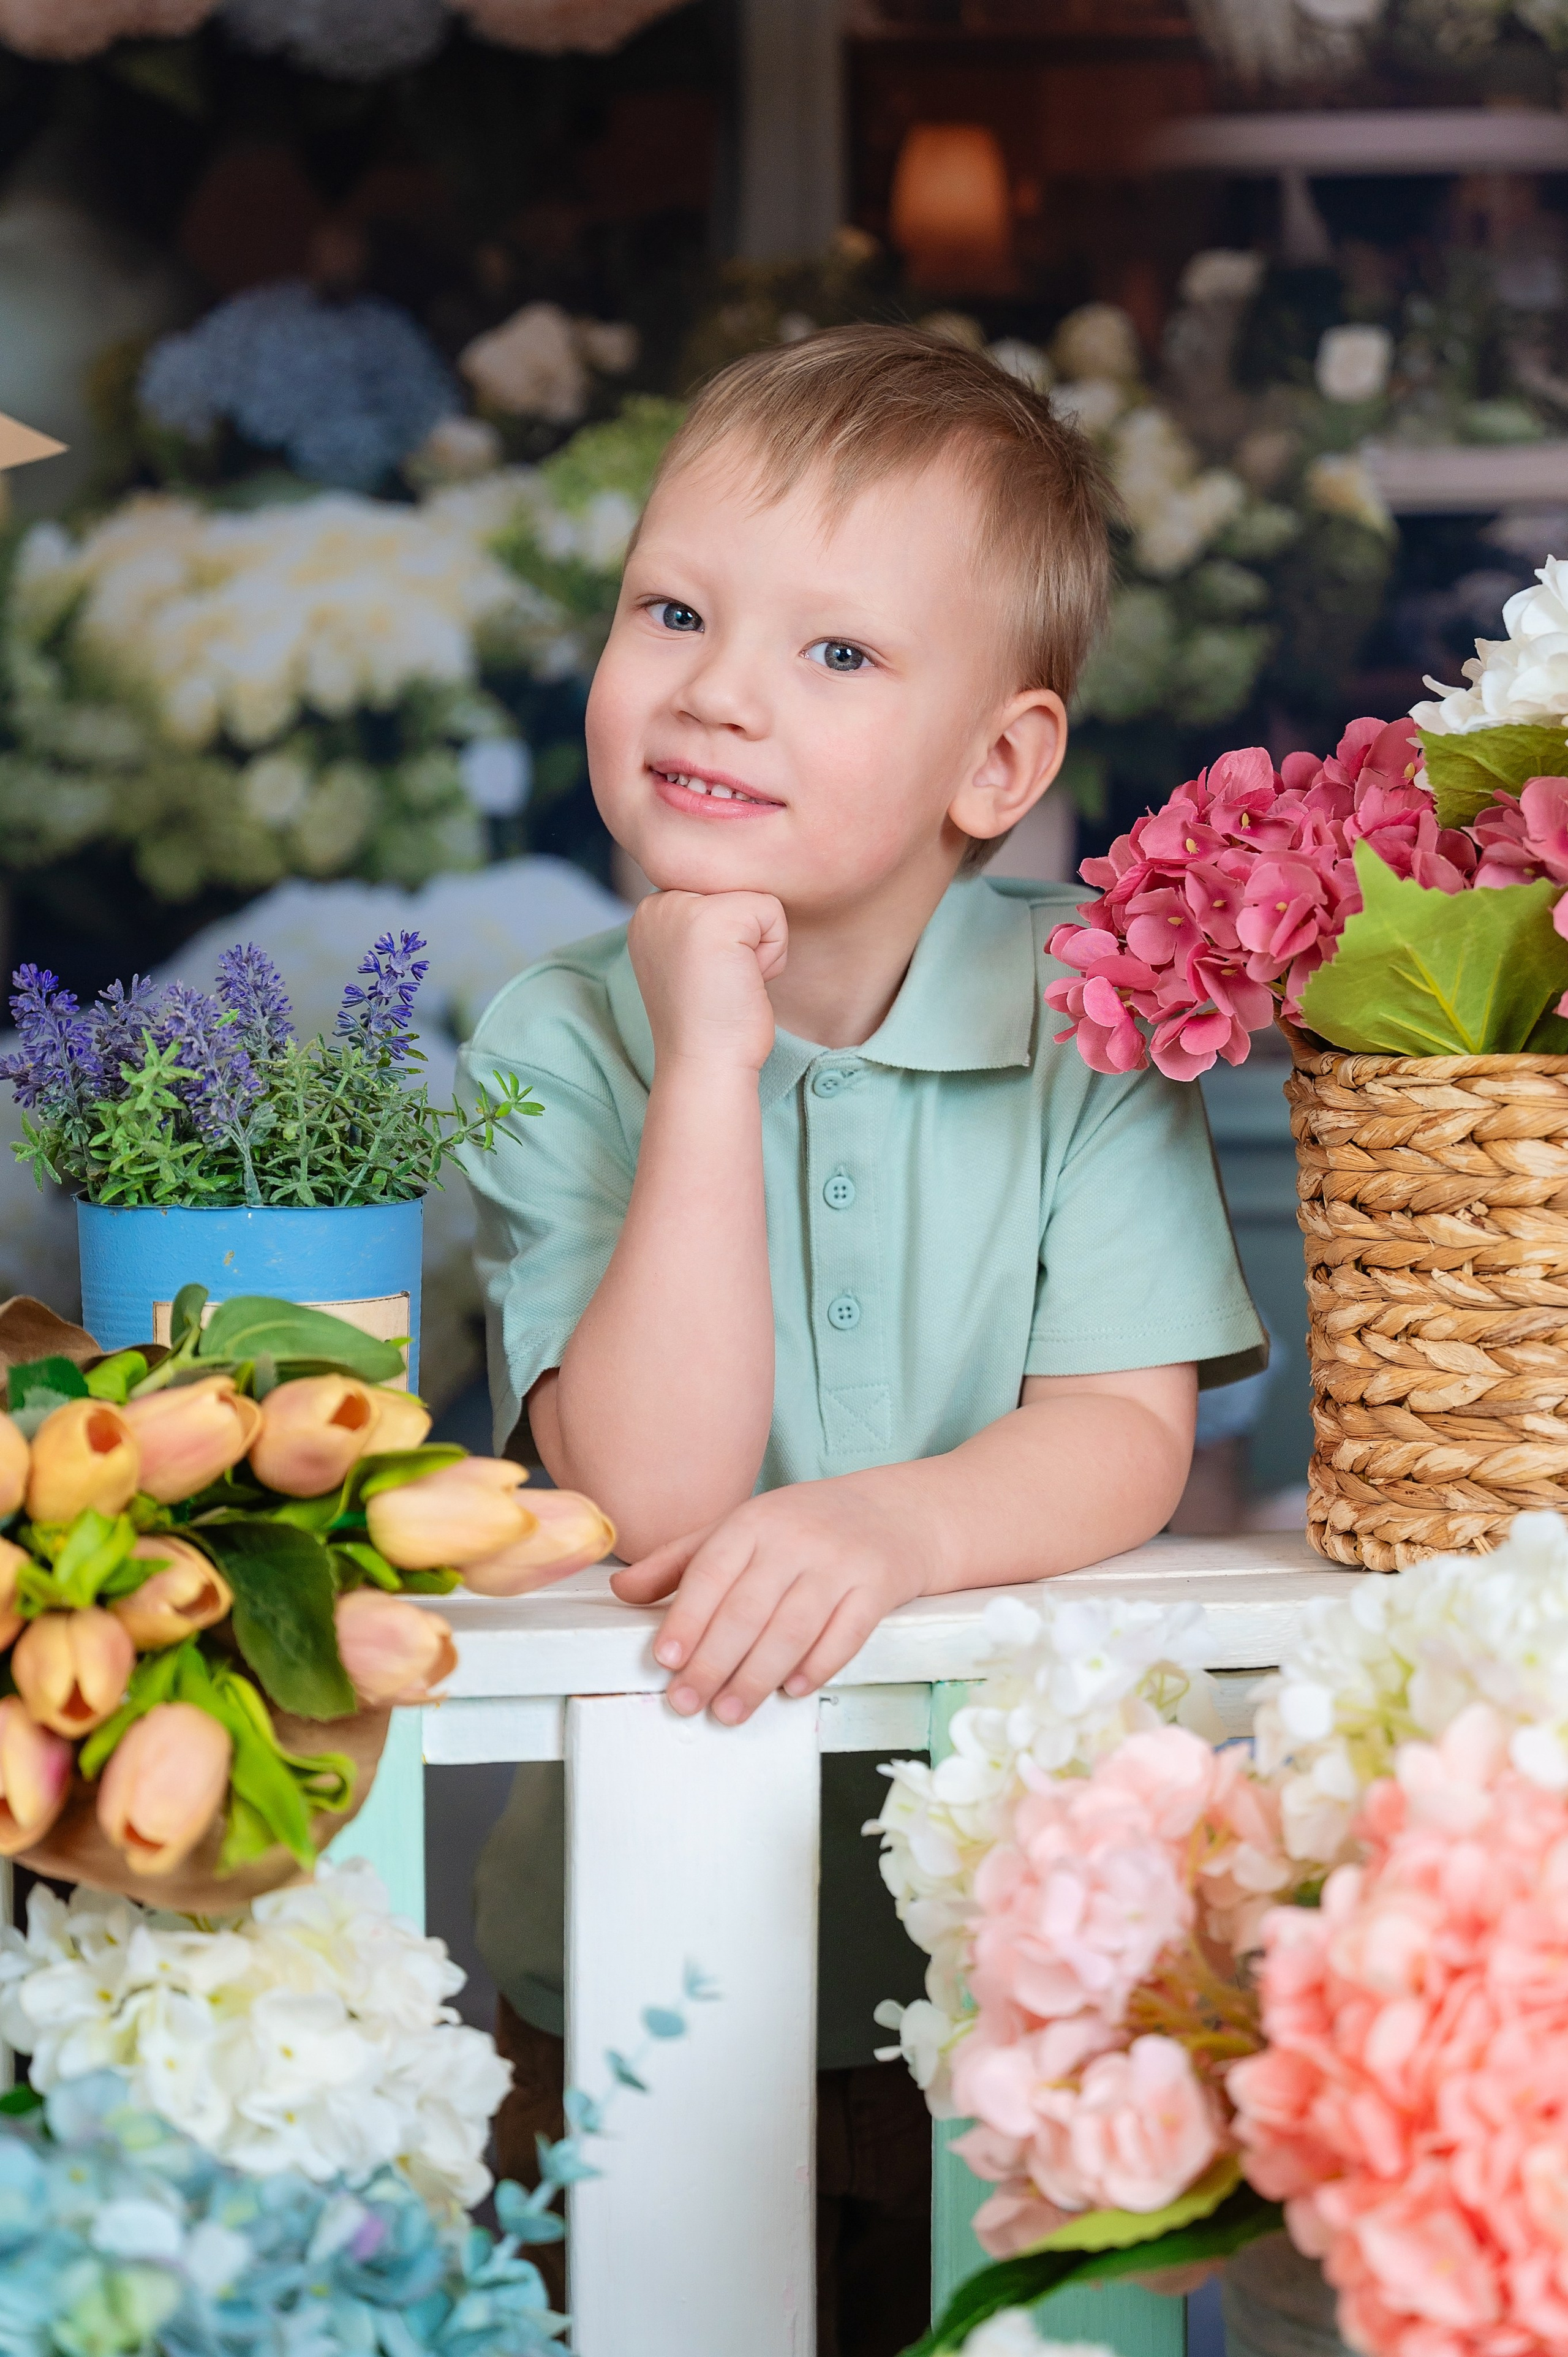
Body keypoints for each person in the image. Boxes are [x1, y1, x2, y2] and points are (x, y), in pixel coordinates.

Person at [460, 325, 1266, 2355]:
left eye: (837, 655)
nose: (718, 685)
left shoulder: (1087, 1028)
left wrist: (891, 1534)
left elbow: (1120, 1431)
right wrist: (708, 1058)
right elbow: (647, 1490)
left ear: (997, 766)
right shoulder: (564, 1037)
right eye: (674, 610)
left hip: (1010, 1963)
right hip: (630, 1946)